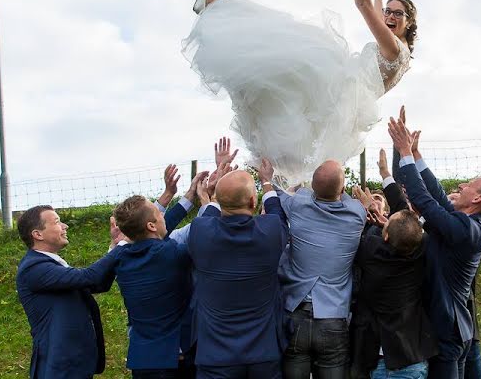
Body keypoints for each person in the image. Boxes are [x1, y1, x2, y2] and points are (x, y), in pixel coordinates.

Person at [183, 0, 417, 185]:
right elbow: (376, 11)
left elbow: (363, 5)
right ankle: (220, 12)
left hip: (340, 89)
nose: (390, 16)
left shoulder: (394, 49)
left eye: (398, 13)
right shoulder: (401, 52)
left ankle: (215, 15)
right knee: (278, 60)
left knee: (284, 53)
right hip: (345, 96)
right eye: (388, 11)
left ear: (409, 22)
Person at [388, 113, 481, 379]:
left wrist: (403, 151)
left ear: (477, 198)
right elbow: (437, 194)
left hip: (447, 331)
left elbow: (425, 201)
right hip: (454, 330)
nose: (462, 185)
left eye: (469, 185)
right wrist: (415, 155)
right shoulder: (465, 223)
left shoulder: (468, 231)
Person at [268, 158, 366, 379]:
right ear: (342, 188)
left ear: (312, 186)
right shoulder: (357, 215)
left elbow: (280, 192)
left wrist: (271, 177)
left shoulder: (298, 205)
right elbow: (347, 198)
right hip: (333, 317)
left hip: (295, 313)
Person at [187, 168, 290, 378]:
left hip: (215, 355)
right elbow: (277, 214)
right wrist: (267, 183)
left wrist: (215, 195)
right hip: (264, 352)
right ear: (253, 201)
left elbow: (208, 215)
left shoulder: (200, 231)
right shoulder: (269, 231)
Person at [109, 170, 208, 379]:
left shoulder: (119, 256)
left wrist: (186, 196)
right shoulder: (174, 253)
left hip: (146, 361)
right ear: (152, 224)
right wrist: (209, 201)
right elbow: (201, 230)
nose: (163, 214)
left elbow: (151, 229)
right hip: (180, 358)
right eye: (159, 212)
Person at [350, 149, 437, 379]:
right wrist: (386, 175)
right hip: (412, 357)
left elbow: (398, 215)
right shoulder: (421, 248)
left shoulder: (369, 249)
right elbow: (404, 214)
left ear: (385, 235)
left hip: (381, 364)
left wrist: (369, 209)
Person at [16, 205, 122, 379]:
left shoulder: (51, 265)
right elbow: (91, 277)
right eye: (57, 222)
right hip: (58, 368)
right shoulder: (34, 268)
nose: (65, 226)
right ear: (38, 234)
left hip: (73, 365)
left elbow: (98, 284)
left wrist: (115, 245)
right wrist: (122, 245)